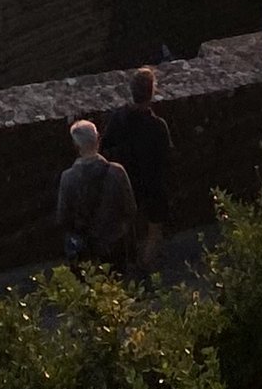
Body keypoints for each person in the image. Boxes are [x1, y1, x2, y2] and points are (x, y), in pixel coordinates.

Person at [100, 66, 175, 270]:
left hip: (127, 181)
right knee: (154, 228)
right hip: (152, 184)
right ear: (152, 93)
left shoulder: (119, 118)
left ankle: (132, 262)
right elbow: (167, 156)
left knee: (129, 225)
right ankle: (146, 265)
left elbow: (105, 146)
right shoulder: (158, 126)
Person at [55, 118, 137, 271]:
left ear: (76, 145)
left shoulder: (68, 178)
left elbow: (63, 217)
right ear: (98, 139)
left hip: (85, 247)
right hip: (114, 244)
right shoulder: (117, 172)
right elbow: (130, 209)